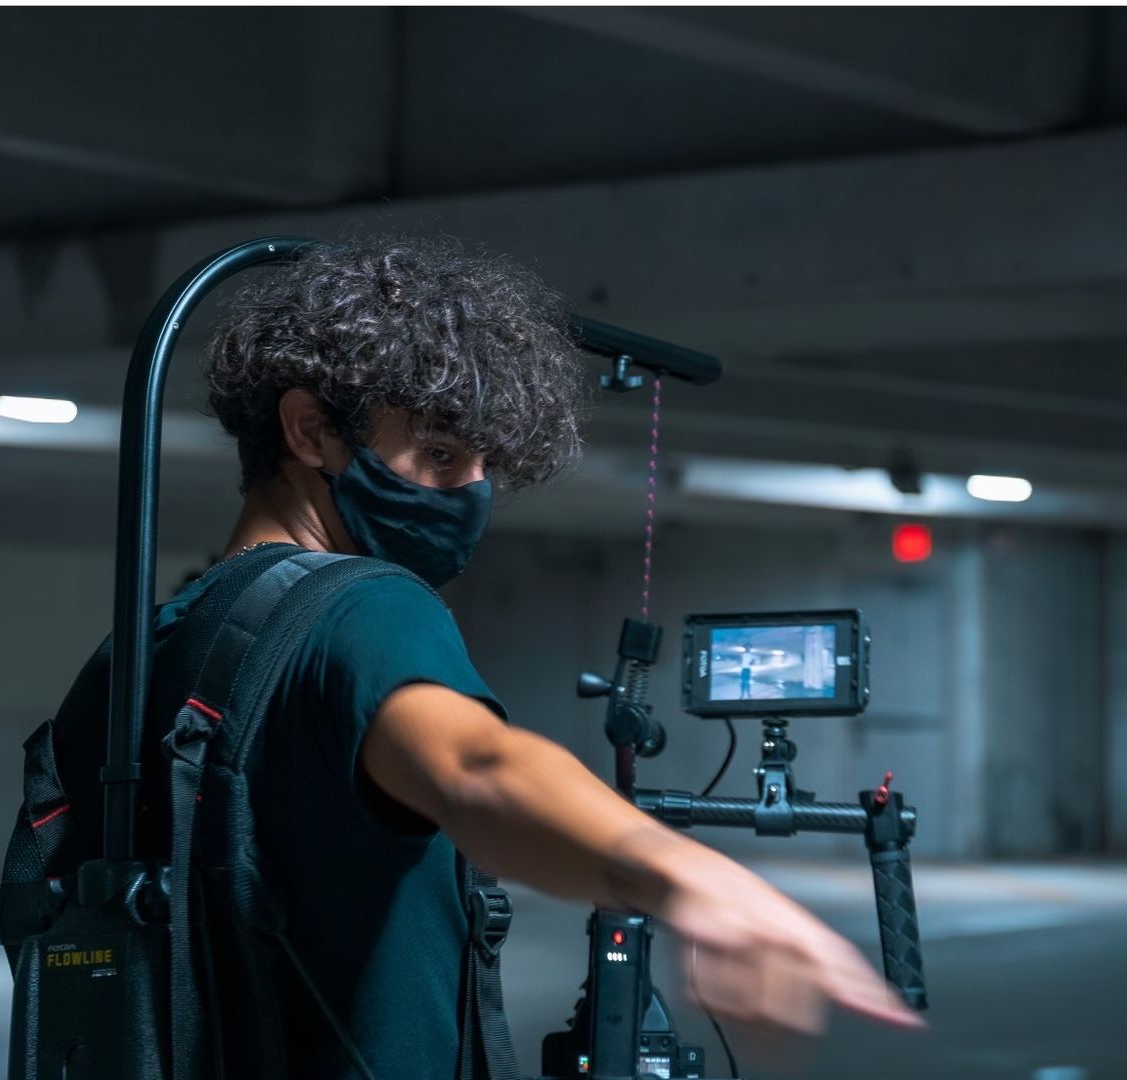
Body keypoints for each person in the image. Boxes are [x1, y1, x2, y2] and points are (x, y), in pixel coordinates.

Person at [148, 236, 923, 1078]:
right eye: (439, 455)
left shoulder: (155, 644)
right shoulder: (365, 608)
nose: (471, 495)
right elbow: (477, 766)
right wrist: (692, 880)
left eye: (486, 466)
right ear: (310, 430)